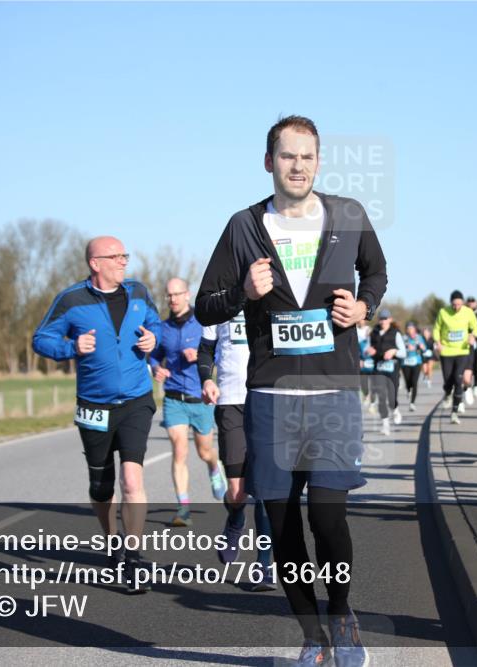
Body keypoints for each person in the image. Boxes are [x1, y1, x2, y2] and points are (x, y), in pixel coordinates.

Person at [195, 115, 386, 667]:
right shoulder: (243, 226)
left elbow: (376, 273)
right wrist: (241, 292)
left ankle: (342, 614)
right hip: (272, 397)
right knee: (280, 525)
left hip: (331, 393)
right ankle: (313, 638)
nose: (297, 165)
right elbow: (208, 304)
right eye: (286, 155)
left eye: (306, 156)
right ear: (268, 162)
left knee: (328, 517)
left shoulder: (347, 215)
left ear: (318, 162)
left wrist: (363, 307)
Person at [32, 236, 159, 593]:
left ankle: (133, 557)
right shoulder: (71, 300)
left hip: (136, 399)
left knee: (132, 481)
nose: (123, 262)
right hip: (93, 405)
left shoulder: (138, 292)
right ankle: (113, 540)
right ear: (95, 263)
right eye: (116, 256)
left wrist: (154, 340)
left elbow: (157, 325)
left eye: (125, 255)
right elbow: (41, 339)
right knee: (101, 487)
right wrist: (71, 347)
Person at [198, 311, 276, 590]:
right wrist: (207, 379)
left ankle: (264, 566)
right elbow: (205, 350)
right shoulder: (220, 303)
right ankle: (235, 518)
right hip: (230, 400)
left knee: (265, 489)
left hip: (268, 398)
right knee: (237, 492)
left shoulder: (273, 296)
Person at [150, 278, 227, 527]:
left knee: (204, 451)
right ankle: (183, 508)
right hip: (173, 398)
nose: (172, 299)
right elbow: (153, 356)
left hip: (200, 399)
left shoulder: (203, 324)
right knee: (179, 449)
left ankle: (214, 467)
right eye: (168, 295)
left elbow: (218, 351)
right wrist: (155, 368)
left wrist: (201, 357)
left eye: (177, 294)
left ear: (187, 294)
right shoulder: (162, 329)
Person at [434, 290, 477, 424]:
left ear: (462, 303)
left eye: (459, 304)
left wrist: (473, 336)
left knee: (458, 379)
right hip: (446, 351)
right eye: (454, 305)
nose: (457, 307)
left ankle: (454, 412)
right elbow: (436, 328)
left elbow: (476, 327)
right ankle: (447, 393)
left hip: (462, 351)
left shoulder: (468, 312)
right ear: (450, 303)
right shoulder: (443, 312)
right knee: (448, 380)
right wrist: (437, 342)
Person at [367, 309, 404, 435]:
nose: (383, 321)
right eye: (381, 319)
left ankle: (396, 410)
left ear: (390, 319)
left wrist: (394, 351)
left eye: (385, 318)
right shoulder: (373, 333)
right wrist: (370, 352)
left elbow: (403, 352)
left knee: (391, 397)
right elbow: (369, 349)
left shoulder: (395, 333)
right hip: (379, 368)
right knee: (381, 396)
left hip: (392, 368)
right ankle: (385, 424)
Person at [401, 321, 428, 411]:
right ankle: (408, 390)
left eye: (412, 328)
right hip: (405, 363)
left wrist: (418, 347)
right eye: (408, 329)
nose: (410, 330)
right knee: (408, 382)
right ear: (406, 330)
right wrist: (406, 347)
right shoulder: (403, 338)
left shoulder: (419, 337)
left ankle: (412, 403)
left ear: (415, 329)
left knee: (414, 382)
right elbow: (399, 348)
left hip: (416, 362)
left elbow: (424, 349)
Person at [465, 296, 477, 399]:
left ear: (476, 304)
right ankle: (468, 385)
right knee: (468, 365)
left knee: (476, 365)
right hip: (467, 343)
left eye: (473, 302)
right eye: (469, 302)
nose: (471, 304)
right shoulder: (464, 314)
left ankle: (476, 385)